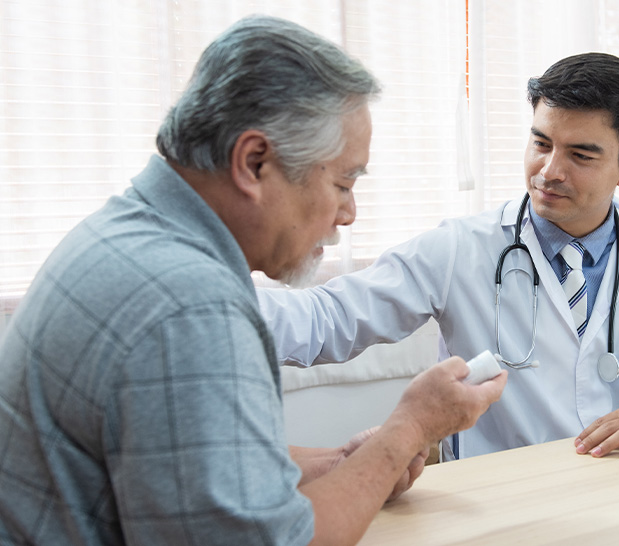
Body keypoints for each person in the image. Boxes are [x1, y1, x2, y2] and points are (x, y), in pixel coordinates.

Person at [0, 15, 506, 546]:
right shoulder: (190, 305)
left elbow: (196, 461)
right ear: (254, 162)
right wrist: (410, 431)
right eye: (342, 182)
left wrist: (340, 462)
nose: (349, 213)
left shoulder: (125, 233)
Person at [257, 52, 619, 462]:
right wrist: (207, 288)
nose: (549, 171)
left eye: (581, 154)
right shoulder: (459, 248)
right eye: (541, 143)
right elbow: (322, 321)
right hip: (500, 493)